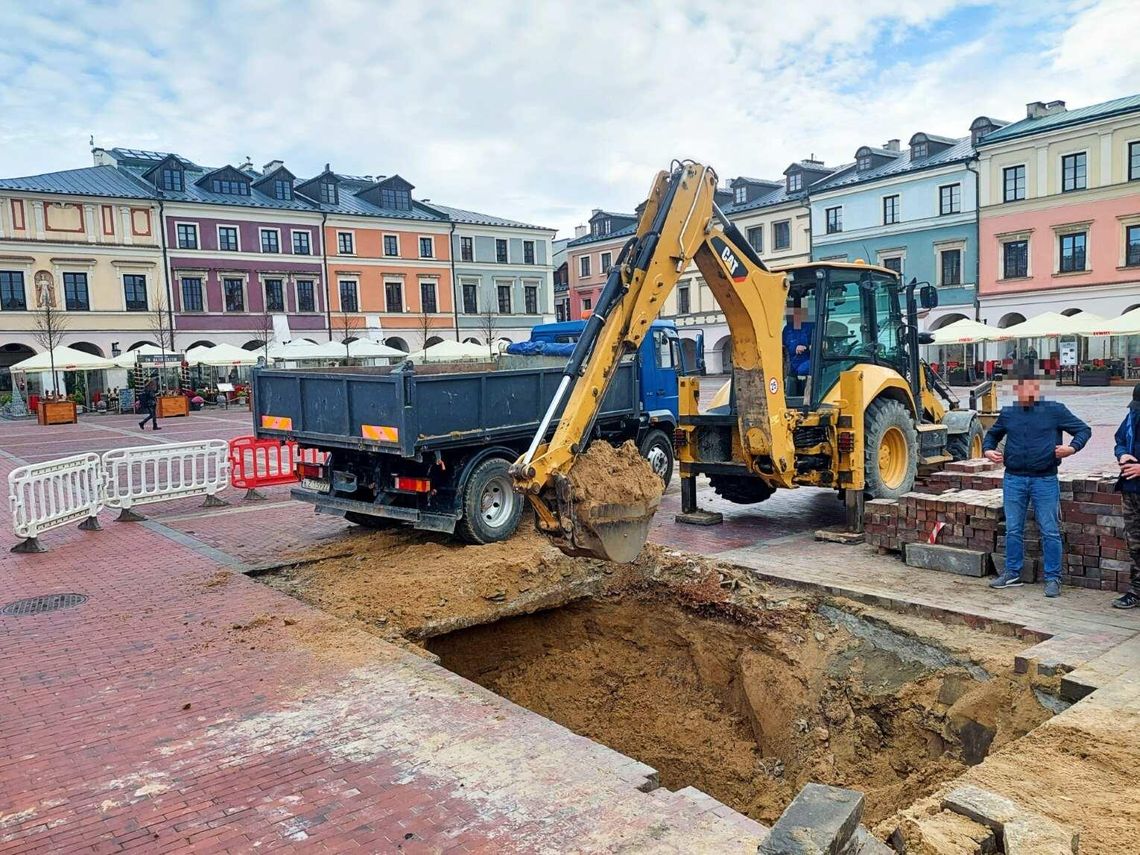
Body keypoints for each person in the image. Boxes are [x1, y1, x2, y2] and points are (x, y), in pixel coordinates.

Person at [983, 373, 1090, 597]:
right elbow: (992, 435)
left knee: (1050, 531)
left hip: (1045, 479)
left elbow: (1083, 430)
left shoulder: (1055, 410)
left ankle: (1053, 578)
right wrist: (988, 449)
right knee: (1013, 529)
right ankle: (1012, 573)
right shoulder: (1009, 412)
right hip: (1013, 479)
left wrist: (1072, 448)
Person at [1112, 383, 1140, 609]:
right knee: (1135, 543)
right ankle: (1137, 591)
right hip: (1131, 489)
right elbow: (1119, 440)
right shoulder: (1133, 415)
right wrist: (1123, 455)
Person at [782, 305, 814, 395]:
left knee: (803, 370)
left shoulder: (810, 326)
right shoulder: (788, 329)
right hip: (793, 362)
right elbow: (784, 343)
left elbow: (820, 343)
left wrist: (807, 347)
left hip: (808, 360)